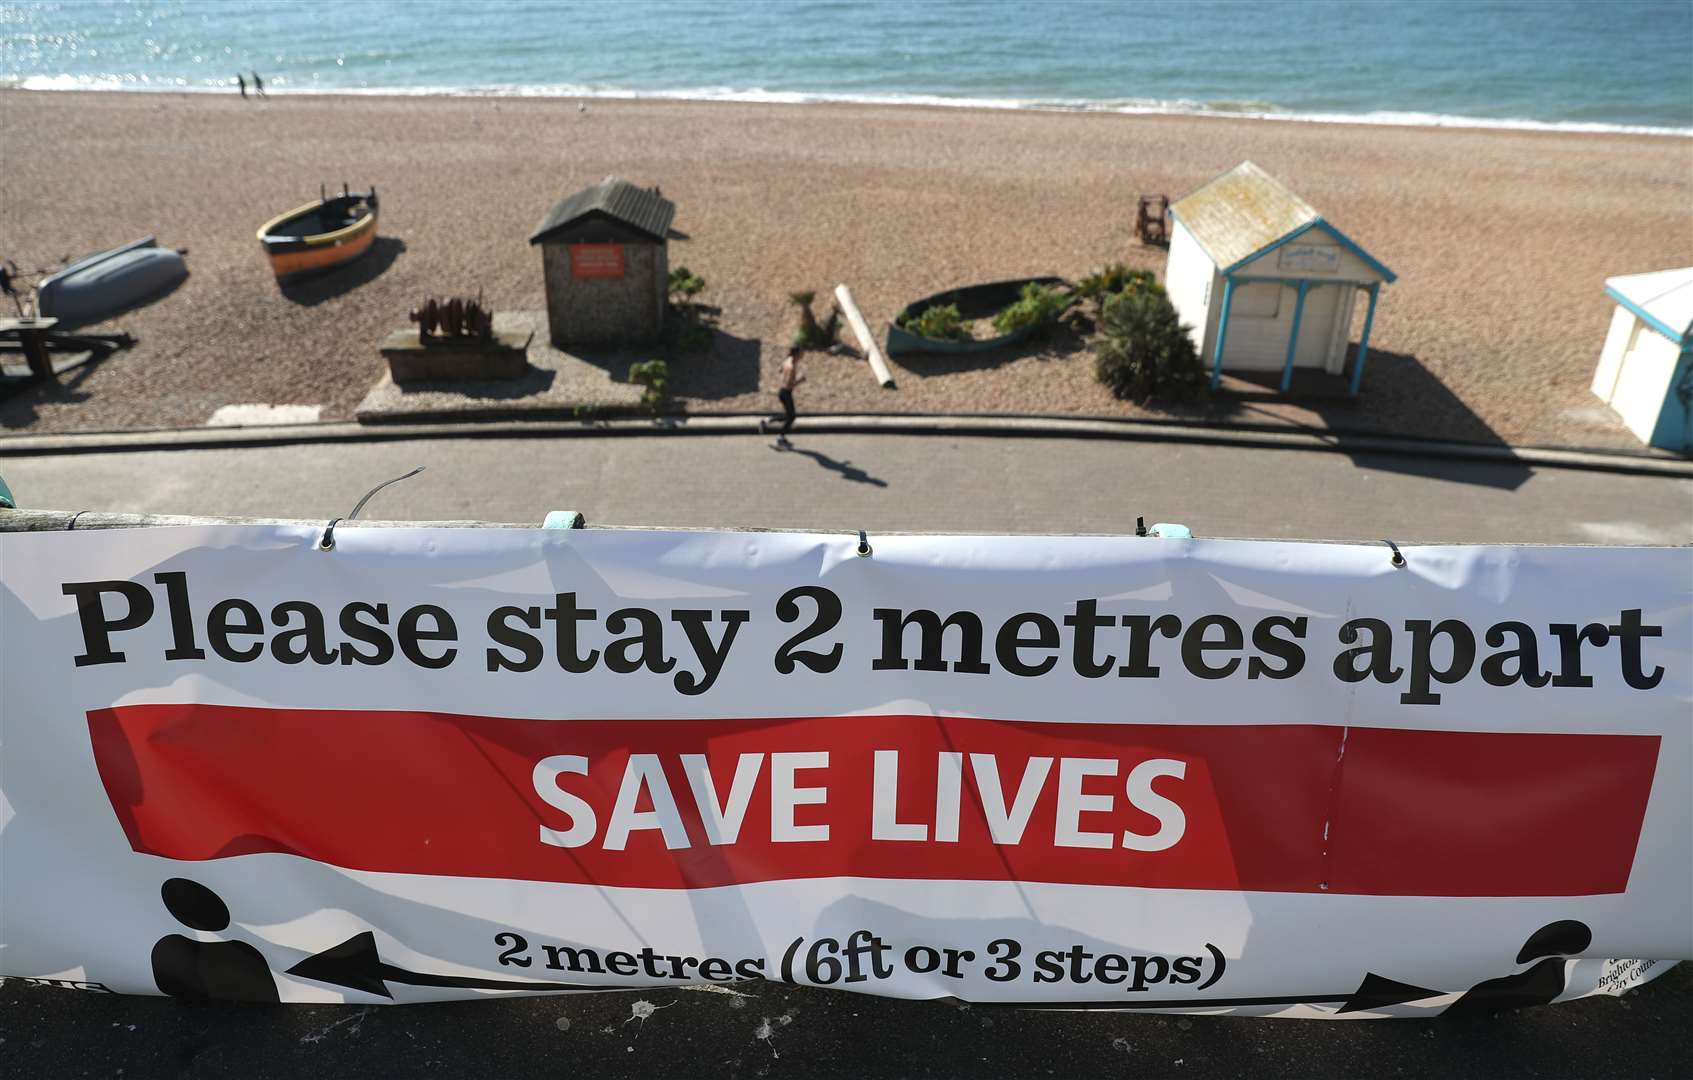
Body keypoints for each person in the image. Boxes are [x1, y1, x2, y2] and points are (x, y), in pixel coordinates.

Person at [759, 348, 804, 449]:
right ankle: (780, 439)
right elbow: (789, 385)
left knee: (788, 415)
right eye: (802, 353)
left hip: (782, 392)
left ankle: (767, 421)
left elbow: (780, 370)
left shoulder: (787, 360)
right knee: (791, 417)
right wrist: (800, 380)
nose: (803, 354)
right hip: (786, 393)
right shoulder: (792, 367)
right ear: (797, 354)